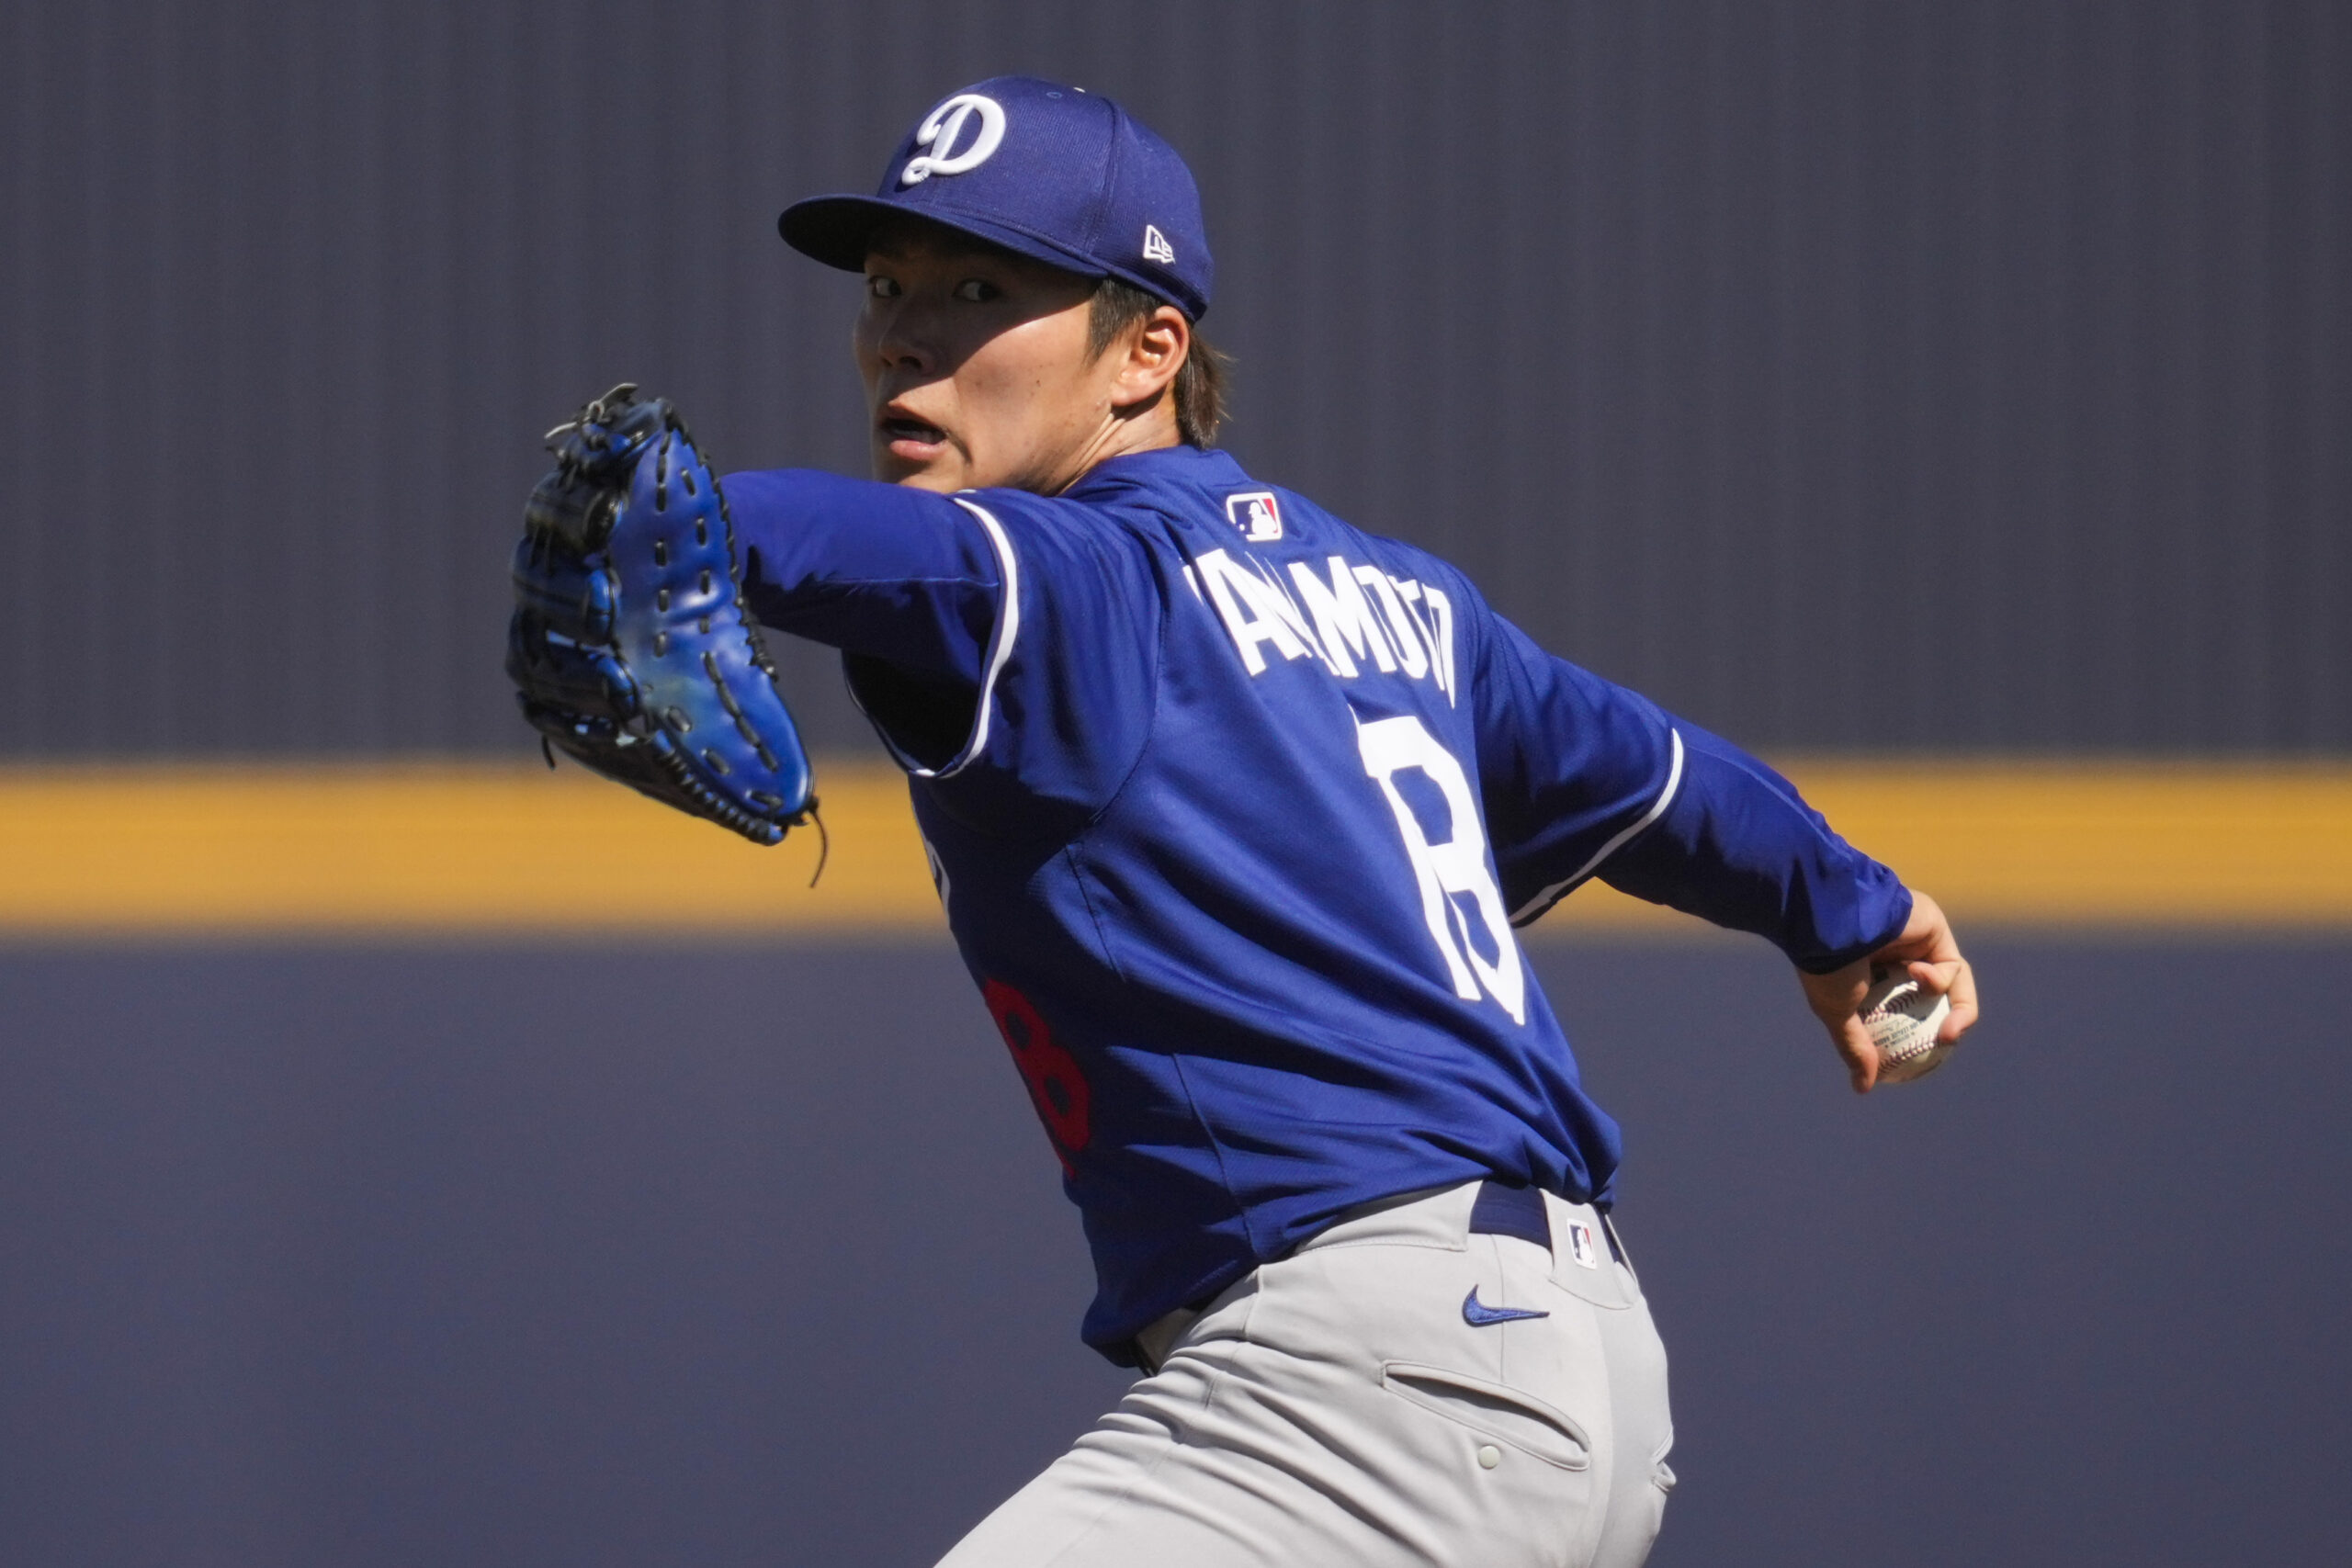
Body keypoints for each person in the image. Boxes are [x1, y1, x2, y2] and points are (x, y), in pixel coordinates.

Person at [724, 75, 1976, 1568]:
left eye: (982, 287)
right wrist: (1845, 907)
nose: (906, 335)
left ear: (1148, 352)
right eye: (888, 287)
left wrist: (670, 516)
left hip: (1360, 1391)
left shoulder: (1084, 579)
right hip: (1563, 1375)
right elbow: (1663, 778)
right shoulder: (1409, 609)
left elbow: (846, 546)